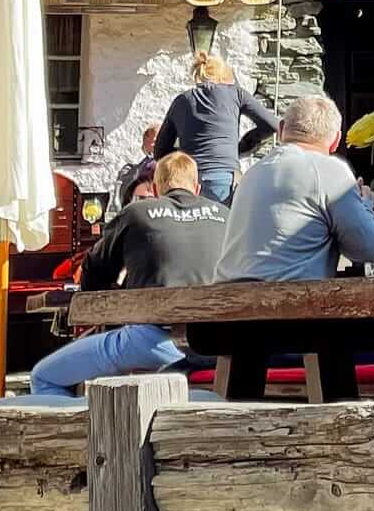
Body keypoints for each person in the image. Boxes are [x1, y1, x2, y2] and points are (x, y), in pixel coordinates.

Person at [26, 153, 228, 400]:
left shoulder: (137, 213)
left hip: (151, 341)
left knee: (44, 376)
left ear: (155, 188)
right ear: (197, 188)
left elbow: (94, 268)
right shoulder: (224, 215)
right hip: (214, 346)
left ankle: (92, 431)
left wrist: (98, 303)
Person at [214, 93, 374, 282]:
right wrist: (366, 206)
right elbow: (371, 249)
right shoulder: (329, 170)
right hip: (287, 305)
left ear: (280, 130)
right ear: (336, 141)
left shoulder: (252, 173)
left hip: (227, 300)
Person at [155, 54, 278, 204]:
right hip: (224, 177)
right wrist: (241, 147)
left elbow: (160, 151)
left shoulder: (182, 100)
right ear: (224, 76)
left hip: (190, 180)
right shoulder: (236, 94)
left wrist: (185, 153)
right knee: (225, 225)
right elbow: (272, 125)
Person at [115, 124, 162, 209]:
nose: (156, 144)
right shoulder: (133, 169)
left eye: (159, 140)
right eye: (154, 141)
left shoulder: (168, 165)